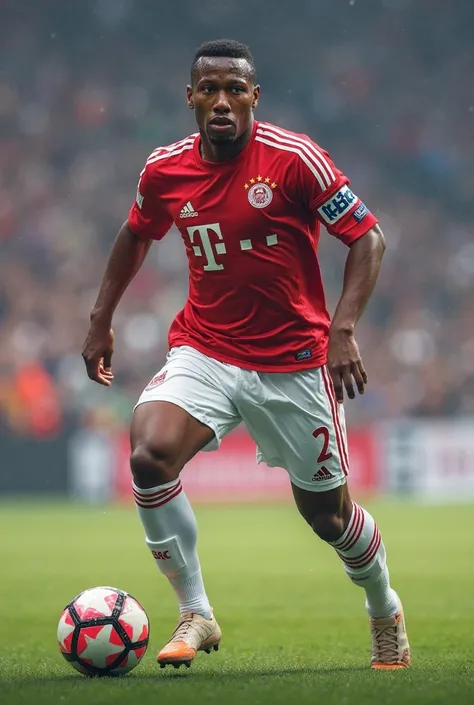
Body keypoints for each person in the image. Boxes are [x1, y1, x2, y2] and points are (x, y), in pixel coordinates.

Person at [82, 39, 410, 671]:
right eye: (209, 89)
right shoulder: (165, 169)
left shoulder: (295, 159)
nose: (222, 102)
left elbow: (368, 237)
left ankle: (383, 606)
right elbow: (136, 232)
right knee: (149, 456)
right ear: (190, 98)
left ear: (254, 97)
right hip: (205, 348)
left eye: (235, 89)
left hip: (294, 363)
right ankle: (196, 612)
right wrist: (101, 319)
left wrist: (342, 329)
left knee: (329, 517)